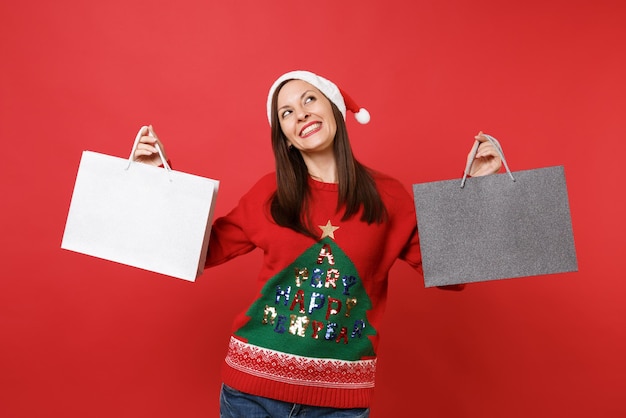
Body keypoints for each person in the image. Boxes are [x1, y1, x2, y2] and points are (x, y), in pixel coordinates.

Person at [133, 70, 503, 417]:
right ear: (286, 137)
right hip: (250, 395)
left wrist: (479, 192)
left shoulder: (388, 196)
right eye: (287, 112)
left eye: (309, 99)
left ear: (334, 108)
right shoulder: (269, 193)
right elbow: (198, 252)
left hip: (340, 404)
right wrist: (158, 181)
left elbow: (451, 274)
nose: (300, 114)